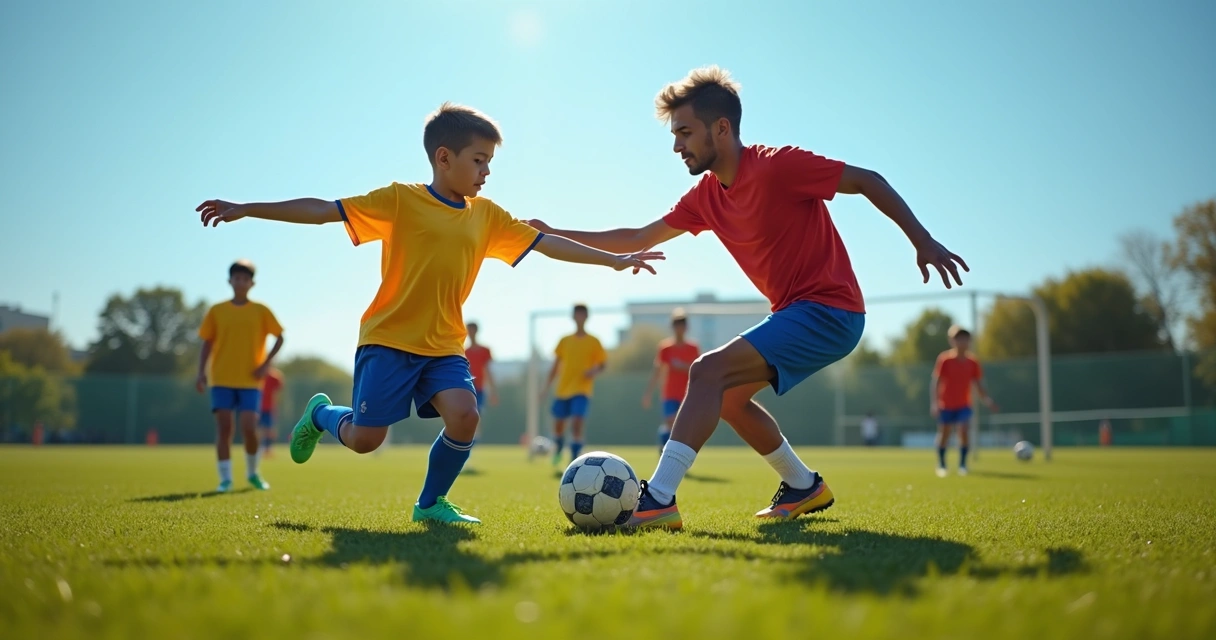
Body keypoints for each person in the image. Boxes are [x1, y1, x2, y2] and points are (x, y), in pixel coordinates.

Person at [528, 66, 967, 529]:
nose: (677, 145)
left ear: (721, 128)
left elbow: (868, 180)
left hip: (831, 310)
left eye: (685, 132)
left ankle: (657, 498)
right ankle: (803, 486)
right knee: (730, 398)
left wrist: (923, 240)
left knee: (707, 370)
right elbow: (636, 235)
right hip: (798, 312)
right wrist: (552, 233)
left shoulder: (779, 165)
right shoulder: (705, 197)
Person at [196, 102, 662, 524]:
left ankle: (429, 504)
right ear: (444, 158)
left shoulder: (487, 215)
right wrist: (245, 209)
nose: (485, 172)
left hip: (443, 345)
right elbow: (323, 210)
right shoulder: (400, 200)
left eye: (489, 163)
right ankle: (320, 416)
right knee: (365, 440)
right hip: (388, 341)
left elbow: (546, 244)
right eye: (479, 161)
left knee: (465, 416)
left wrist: (614, 260)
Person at [196, 260, 284, 492]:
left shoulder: (261, 311)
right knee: (224, 428)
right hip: (221, 379)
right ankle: (225, 478)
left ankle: (253, 473)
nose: (241, 282)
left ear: (251, 283)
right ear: (230, 281)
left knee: (248, 426)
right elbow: (206, 343)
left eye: (245, 278)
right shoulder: (217, 311)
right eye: (237, 278)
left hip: (250, 381)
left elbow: (280, 337)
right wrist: (200, 373)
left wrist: (265, 365)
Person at [540, 304, 606, 467]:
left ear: (587, 317)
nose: (580, 317)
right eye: (577, 314)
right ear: (573, 317)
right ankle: (559, 448)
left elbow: (602, 364)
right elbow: (555, 366)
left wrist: (593, 371)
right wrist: (546, 388)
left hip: (582, 389)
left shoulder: (594, 341)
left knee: (577, 423)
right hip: (563, 389)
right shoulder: (565, 340)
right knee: (559, 426)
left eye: (583, 314)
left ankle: (575, 459)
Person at [931, 326, 997, 476]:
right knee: (945, 433)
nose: (962, 342)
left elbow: (978, 384)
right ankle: (941, 464)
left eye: (965, 338)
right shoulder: (945, 359)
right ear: (952, 341)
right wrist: (935, 403)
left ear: (969, 341)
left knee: (964, 429)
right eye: (958, 338)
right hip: (946, 404)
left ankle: (962, 465)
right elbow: (936, 382)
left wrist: (987, 400)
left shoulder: (973, 362)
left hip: (964, 404)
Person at [643, 309, 700, 454]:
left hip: (688, 393)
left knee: (684, 426)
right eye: (676, 324)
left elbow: (698, 369)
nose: (679, 327)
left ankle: (677, 454)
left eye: (682, 323)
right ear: (672, 326)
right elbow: (657, 370)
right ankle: (664, 449)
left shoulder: (693, 347)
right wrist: (648, 393)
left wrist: (683, 366)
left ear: (686, 327)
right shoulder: (665, 348)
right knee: (670, 421)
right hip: (670, 392)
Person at [464, 322, 497, 413]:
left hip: (480, 388)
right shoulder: (464, 352)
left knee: (477, 414)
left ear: (476, 331)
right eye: (468, 330)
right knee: (468, 415)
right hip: (468, 388)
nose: (470, 333)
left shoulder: (485, 351)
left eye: (472, 330)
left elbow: (488, 370)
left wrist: (492, 391)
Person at [258, 367, 284, 458]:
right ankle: (259, 448)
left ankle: (268, 448)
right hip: (257, 407)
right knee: (258, 430)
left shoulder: (274, 377)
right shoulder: (258, 375)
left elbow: (279, 386)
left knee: (269, 430)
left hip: (269, 408)